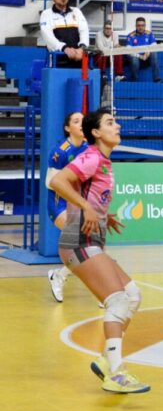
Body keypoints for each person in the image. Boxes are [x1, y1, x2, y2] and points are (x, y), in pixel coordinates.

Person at [48, 107, 150, 393]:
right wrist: (87, 208)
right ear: (96, 133)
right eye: (109, 123)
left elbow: (90, 194)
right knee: (117, 301)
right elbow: (57, 181)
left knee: (132, 295)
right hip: (78, 241)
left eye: (115, 122)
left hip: (92, 238)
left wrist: (105, 215)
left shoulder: (104, 161)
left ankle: (107, 359)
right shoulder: (92, 156)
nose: (116, 126)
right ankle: (115, 373)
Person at [45, 111, 88, 303]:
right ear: (67, 128)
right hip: (58, 203)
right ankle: (60, 277)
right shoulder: (60, 152)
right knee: (82, 242)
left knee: (89, 246)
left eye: (83, 121)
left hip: (77, 202)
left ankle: (59, 275)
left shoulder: (88, 148)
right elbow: (49, 183)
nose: (81, 124)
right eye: (76, 121)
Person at [39, 0, 90, 68]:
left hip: (78, 59)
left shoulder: (76, 11)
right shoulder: (46, 14)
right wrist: (64, 48)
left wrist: (82, 48)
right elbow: (48, 36)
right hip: (57, 60)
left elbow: (84, 31)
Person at [124, 17, 162, 83]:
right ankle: (134, 80)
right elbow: (128, 51)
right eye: (138, 25)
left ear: (145, 26)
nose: (140, 27)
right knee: (134, 59)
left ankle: (157, 79)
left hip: (147, 60)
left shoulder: (149, 34)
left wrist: (147, 53)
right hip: (135, 61)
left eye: (142, 25)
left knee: (154, 53)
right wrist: (140, 56)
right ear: (135, 26)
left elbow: (154, 45)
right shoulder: (130, 36)